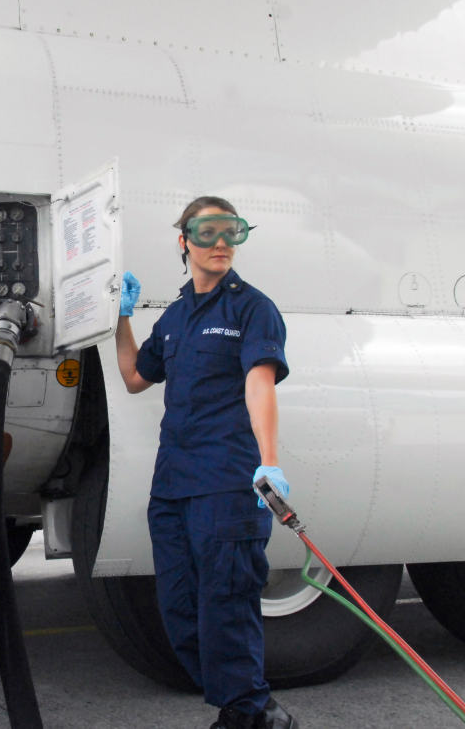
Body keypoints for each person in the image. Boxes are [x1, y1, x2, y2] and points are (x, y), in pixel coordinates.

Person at [115, 196, 299, 729]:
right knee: (180, 610)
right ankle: (244, 705)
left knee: (226, 605)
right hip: (173, 485)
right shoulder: (175, 317)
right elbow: (134, 377)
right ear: (184, 241)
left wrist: (269, 462)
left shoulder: (252, 308)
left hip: (226, 482)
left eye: (232, 232)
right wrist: (122, 318)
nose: (221, 243)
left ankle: (249, 712)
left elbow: (259, 386)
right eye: (208, 231)